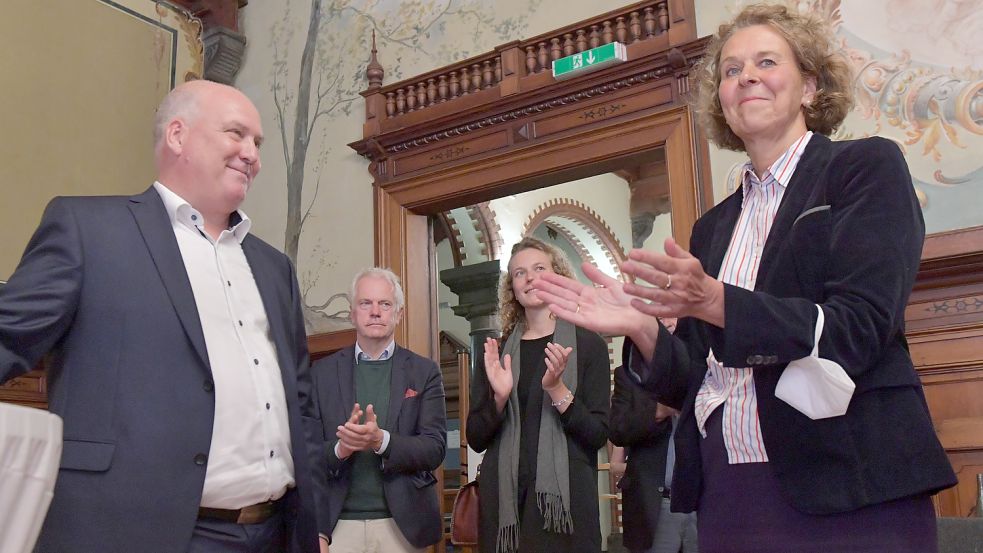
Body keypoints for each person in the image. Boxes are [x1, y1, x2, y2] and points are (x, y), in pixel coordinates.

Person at [532, 4, 957, 553]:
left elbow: (860, 327)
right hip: (730, 489)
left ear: (809, 86)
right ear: (722, 104)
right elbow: (694, 378)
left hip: (850, 485)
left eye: (765, 61)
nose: (746, 76)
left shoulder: (863, 169)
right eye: (731, 71)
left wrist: (718, 301)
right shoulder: (713, 228)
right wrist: (642, 330)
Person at [0, 80, 320, 552]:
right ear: (177, 135)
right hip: (130, 531)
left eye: (258, 143)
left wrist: (315, 522)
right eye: (236, 134)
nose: (252, 154)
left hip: (274, 532)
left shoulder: (275, 268)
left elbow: (301, 396)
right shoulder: (88, 231)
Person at [467, 237, 610, 553]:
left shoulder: (588, 346)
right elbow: (476, 437)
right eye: (519, 273)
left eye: (538, 269)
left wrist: (558, 390)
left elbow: (598, 435)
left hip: (566, 512)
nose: (529, 278)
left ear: (557, 275)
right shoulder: (497, 352)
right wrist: (500, 398)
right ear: (512, 289)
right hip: (505, 512)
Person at [310, 268, 446, 553]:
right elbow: (305, 454)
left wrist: (381, 441)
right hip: (337, 526)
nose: (375, 312)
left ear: (399, 314)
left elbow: (434, 448)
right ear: (352, 313)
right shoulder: (320, 374)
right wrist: (342, 448)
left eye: (385, 304)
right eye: (366, 303)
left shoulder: (424, 372)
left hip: (401, 527)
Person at [610, 323, 698, 553]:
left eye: (674, 314)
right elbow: (618, 430)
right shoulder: (627, 375)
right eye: (659, 314)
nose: (667, 321)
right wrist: (660, 410)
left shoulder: (704, 372)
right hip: (654, 505)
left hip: (702, 502)